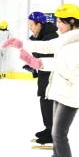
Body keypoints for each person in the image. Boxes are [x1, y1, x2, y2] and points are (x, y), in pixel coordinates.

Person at [4, 3, 79, 157]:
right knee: (56, 133)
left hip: (70, 94)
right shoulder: (67, 39)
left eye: (60, 22)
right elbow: (47, 46)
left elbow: (62, 64)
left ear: (71, 21)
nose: (57, 26)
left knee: (59, 135)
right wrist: (22, 44)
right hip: (60, 91)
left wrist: (36, 62)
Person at [27, 12, 59, 146]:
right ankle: (49, 129)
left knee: (48, 101)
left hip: (51, 75)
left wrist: (36, 64)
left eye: (31, 25)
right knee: (44, 100)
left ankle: (53, 133)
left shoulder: (50, 37)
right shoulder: (39, 36)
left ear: (39, 24)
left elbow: (49, 59)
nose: (30, 28)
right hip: (44, 74)